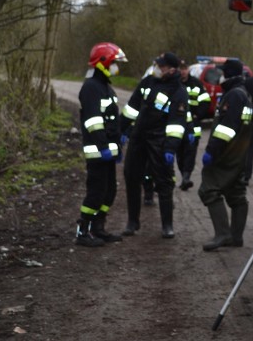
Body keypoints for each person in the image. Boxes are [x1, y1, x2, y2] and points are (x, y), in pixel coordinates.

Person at [120, 52, 189, 238]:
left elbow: (177, 123)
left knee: (164, 182)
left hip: (160, 141)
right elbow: (131, 108)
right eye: (157, 65)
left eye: (161, 66)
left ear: (171, 69)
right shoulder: (147, 83)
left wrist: (170, 148)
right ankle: (132, 222)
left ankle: (167, 225)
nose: (157, 68)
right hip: (139, 137)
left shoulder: (179, 92)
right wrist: (120, 130)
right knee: (131, 176)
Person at [76, 42, 128, 247]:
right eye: (114, 63)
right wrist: (104, 147)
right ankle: (83, 232)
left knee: (109, 192)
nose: (117, 67)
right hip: (98, 151)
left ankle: (98, 228)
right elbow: (93, 122)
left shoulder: (105, 86)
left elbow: (112, 122)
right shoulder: (91, 88)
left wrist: (118, 143)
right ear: (103, 62)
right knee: (96, 192)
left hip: (108, 151)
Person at [198, 58, 253, 251]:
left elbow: (226, 129)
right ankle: (235, 237)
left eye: (222, 72)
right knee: (236, 192)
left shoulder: (234, 95)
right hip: (239, 152)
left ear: (228, 74)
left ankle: (223, 234)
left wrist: (212, 151)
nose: (219, 76)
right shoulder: (242, 93)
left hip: (227, 153)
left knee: (208, 189)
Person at [178, 59, 211, 190]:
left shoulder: (196, 84)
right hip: (178, 126)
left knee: (190, 153)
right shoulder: (175, 84)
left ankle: (186, 177)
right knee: (180, 155)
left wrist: (198, 115)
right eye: (180, 69)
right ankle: (183, 174)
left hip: (193, 126)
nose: (183, 71)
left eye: (184, 68)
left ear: (188, 70)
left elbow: (205, 101)